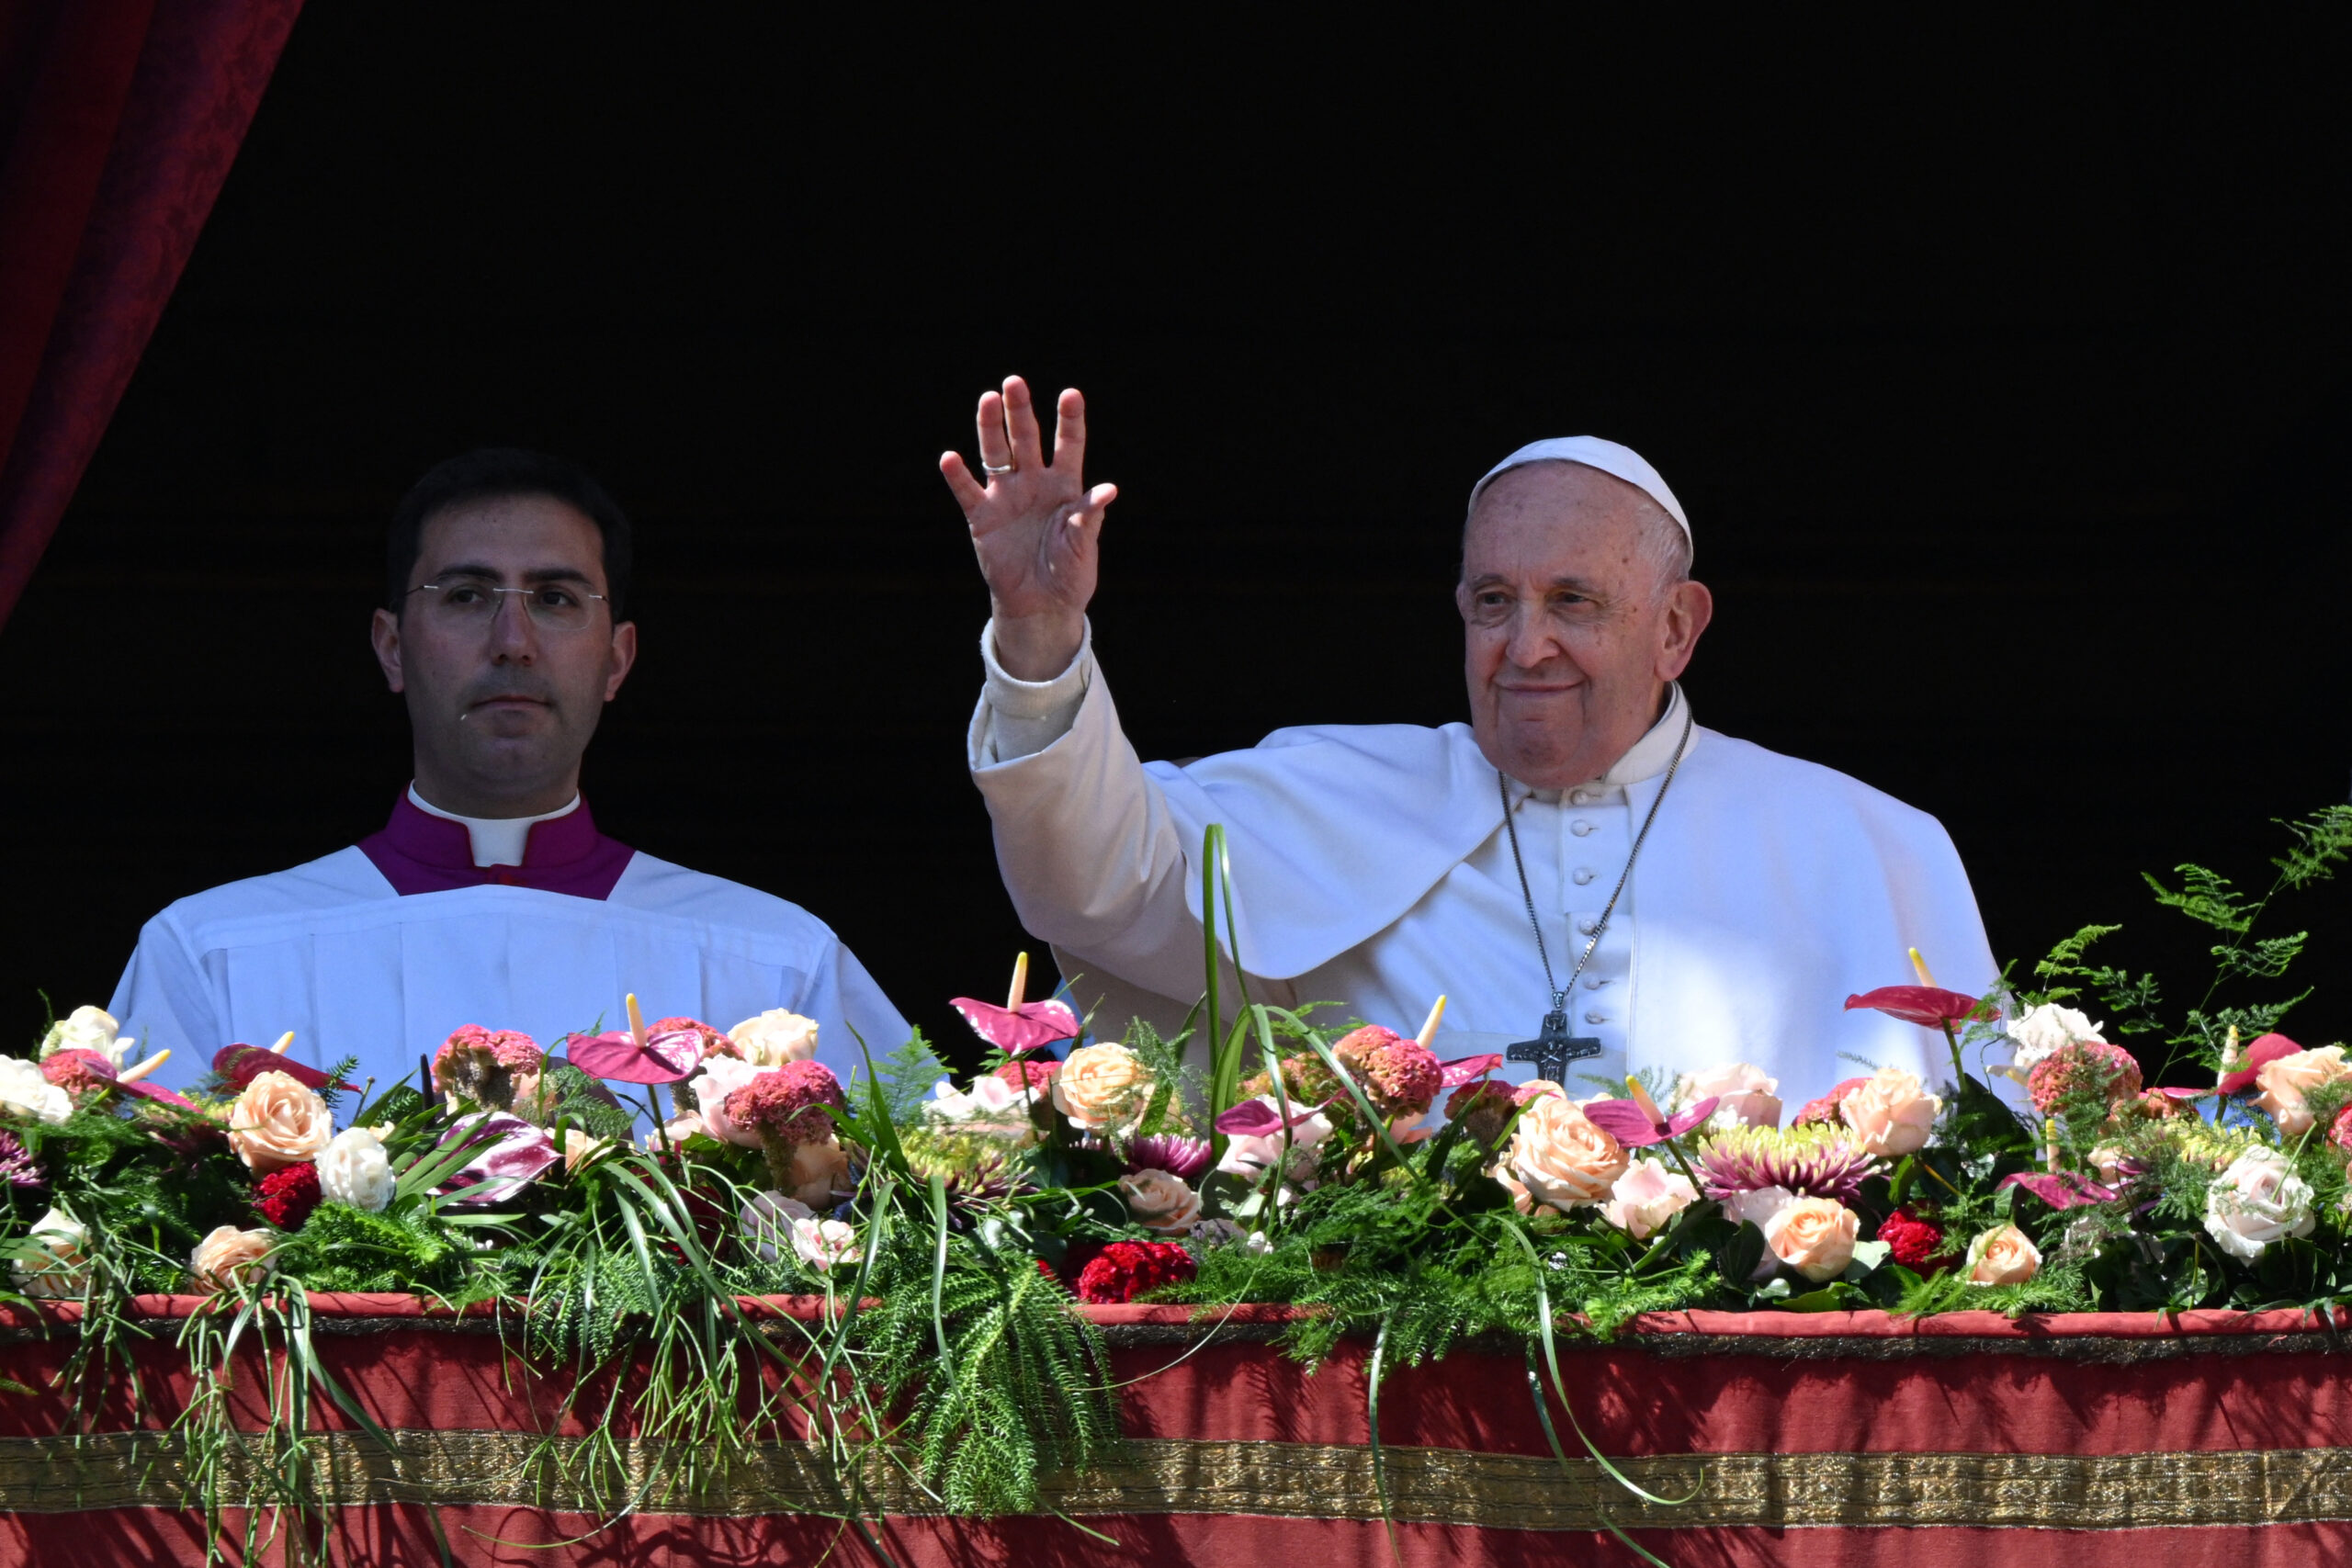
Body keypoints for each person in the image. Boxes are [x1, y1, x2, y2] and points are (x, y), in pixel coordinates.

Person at [946, 377, 2001, 1095]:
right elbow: (1097, 884)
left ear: (1676, 628)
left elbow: (1982, 1175)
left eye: (1574, 602)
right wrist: (1039, 636)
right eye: (1493, 600)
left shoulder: (1861, 843)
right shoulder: (1339, 791)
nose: (1525, 645)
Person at [110, 449, 906, 1092]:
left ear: (617, 659)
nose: (513, 640)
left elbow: (952, 1206)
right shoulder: (215, 951)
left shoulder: (774, 960)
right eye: (465, 594)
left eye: (556, 597)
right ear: (392, 646)